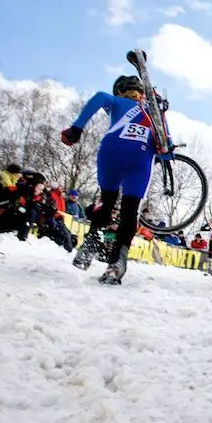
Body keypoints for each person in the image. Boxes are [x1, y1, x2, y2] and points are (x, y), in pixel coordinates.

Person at [62, 74, 168, 285]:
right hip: (139, 162)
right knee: (130, 212)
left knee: (107, 203)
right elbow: (165, 143)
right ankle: (117, 263)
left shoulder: (117, 102)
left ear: (118, 91)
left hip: (111, 155)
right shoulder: (154, 111)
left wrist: (77, 127)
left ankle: (89, 245)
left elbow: (100, 97)